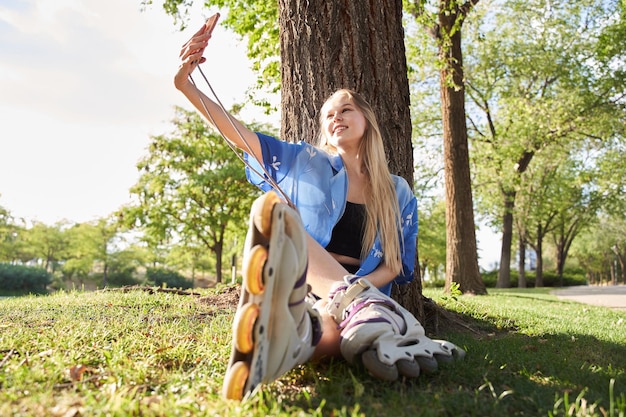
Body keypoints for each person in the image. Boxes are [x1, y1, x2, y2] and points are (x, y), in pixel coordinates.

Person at [175, 17, 463, 400]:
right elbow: (239, 135)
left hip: (359, 295)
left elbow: (393, 266)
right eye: (328, 115)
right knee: (278, 213)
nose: (335, 118)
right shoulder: (305, 163)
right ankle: (363, 315)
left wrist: (351, 295)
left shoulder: (397, 191)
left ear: (367, 122)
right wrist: (184, 84)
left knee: (325, 331)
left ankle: (286, 344)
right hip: (308, 281)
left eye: (345, 110)